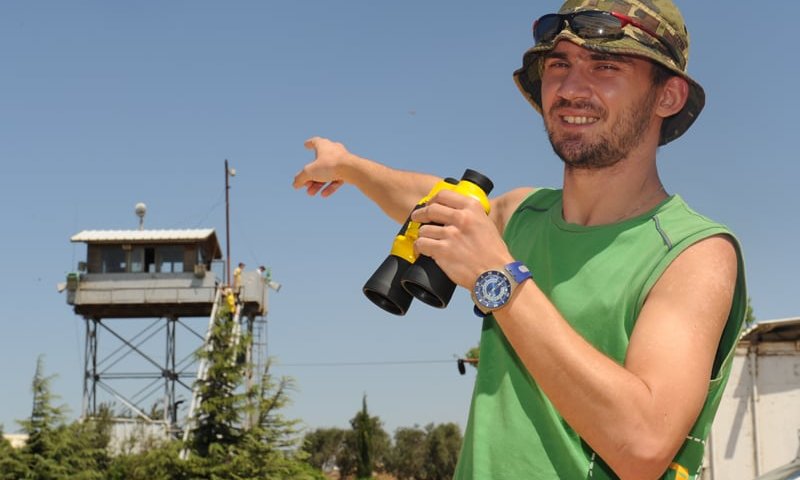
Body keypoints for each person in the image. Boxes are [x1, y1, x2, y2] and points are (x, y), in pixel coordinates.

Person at [293, 0, 746, 478]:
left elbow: (643, 444)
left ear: (667, 97)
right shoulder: (522, 216)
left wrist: (499, 280)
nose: (571, 88)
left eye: (605, 66)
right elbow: (432, 200)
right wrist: (348, 166)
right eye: (558, 65)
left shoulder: (694, 253)